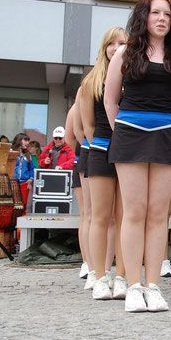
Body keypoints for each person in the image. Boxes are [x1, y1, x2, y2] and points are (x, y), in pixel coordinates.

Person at [104, 0, 171, 312]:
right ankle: (132, 285)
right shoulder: (125, 53)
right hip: (130, 135)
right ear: (144, 16)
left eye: (167, 14)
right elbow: (110, 100)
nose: (162, 19)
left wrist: (168, 129)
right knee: (134, 211)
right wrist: (123, 132)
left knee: (158, 214)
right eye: (156, 12)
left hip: (167, 137)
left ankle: (152, 285)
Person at [79, 27, 128, 300]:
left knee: (124, 217)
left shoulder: (132, 77)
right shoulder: (91, 81)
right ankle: (99, 275)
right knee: (100, 215)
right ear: (104, 47)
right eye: (112, 43)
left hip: (129, 151)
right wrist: (100, 146)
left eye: (122, 43)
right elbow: (87, 125)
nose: (117, 48)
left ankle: (121, 276)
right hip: (100, 149)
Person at [73, 88, 95, 289]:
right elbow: (73, 133)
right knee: (88, 214)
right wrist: (89, 145)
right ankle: (88, 262)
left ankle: (97, 263)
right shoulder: (85, 90)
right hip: (89, 154)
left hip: (105, 152)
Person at [11, 133, 34, 208]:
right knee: (12, 205)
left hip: (24, 184)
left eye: (28, 141)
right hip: (12, 184)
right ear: (19, 140)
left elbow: (32, 169)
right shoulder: (11, 153)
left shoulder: (28, 155)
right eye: (25, 140)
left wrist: (31, 179)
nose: (28, 143)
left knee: (22, 206)